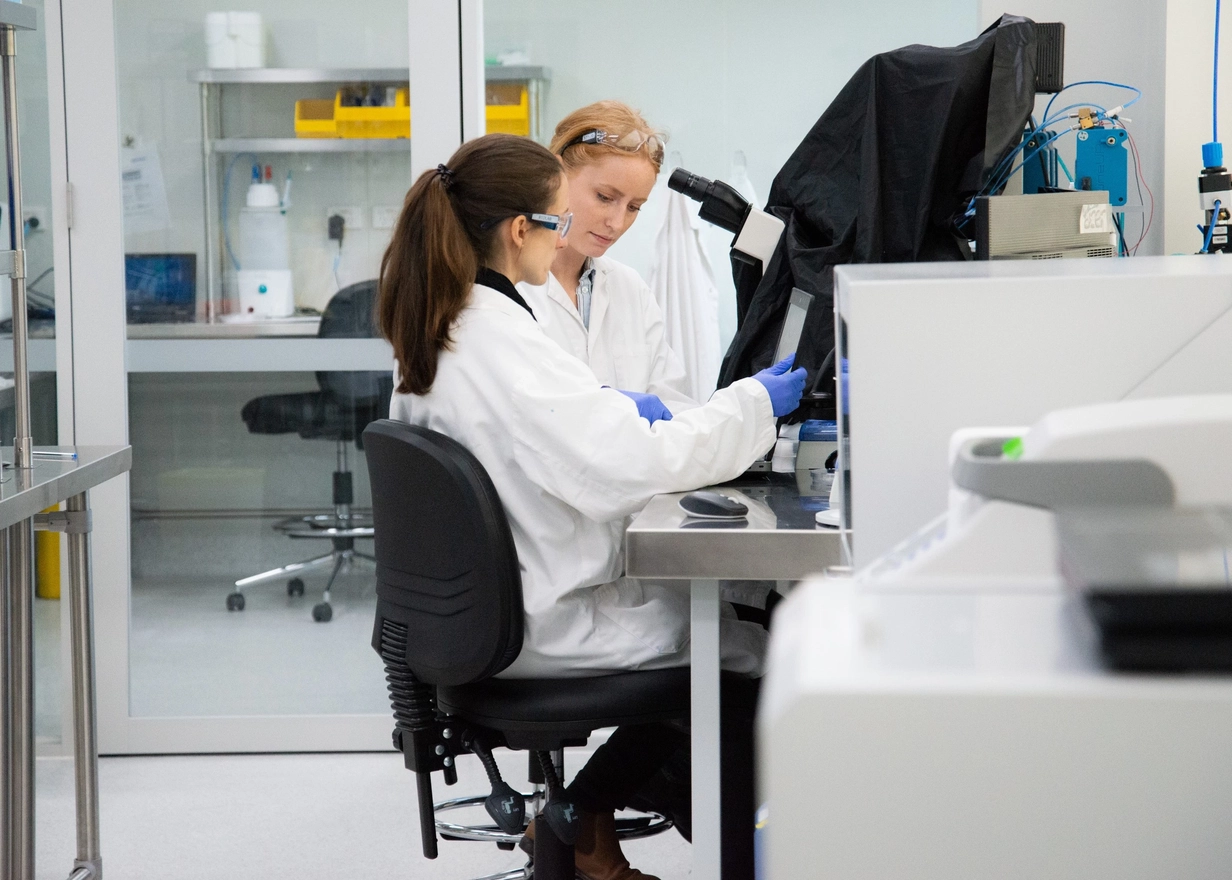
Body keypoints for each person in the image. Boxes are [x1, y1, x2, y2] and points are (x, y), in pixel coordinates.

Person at [377, 133, 806, 880]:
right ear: (520, 231)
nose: (576, 232)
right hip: (545, 622)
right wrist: (752, 406)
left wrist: (609, 407)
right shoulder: (500, 338)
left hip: (493, 616)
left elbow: (552, 433)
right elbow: (632, 465)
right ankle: (585, 818)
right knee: (762, 659)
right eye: (561, 217)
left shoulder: (454, 325)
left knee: (726, 630)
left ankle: (579, 818)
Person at [518, 101, 696, 418]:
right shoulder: (510, 288)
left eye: (633, 207)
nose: (617, 222)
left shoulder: (631, 290)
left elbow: (675, 407)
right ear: (557, 175)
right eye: (605, 197)